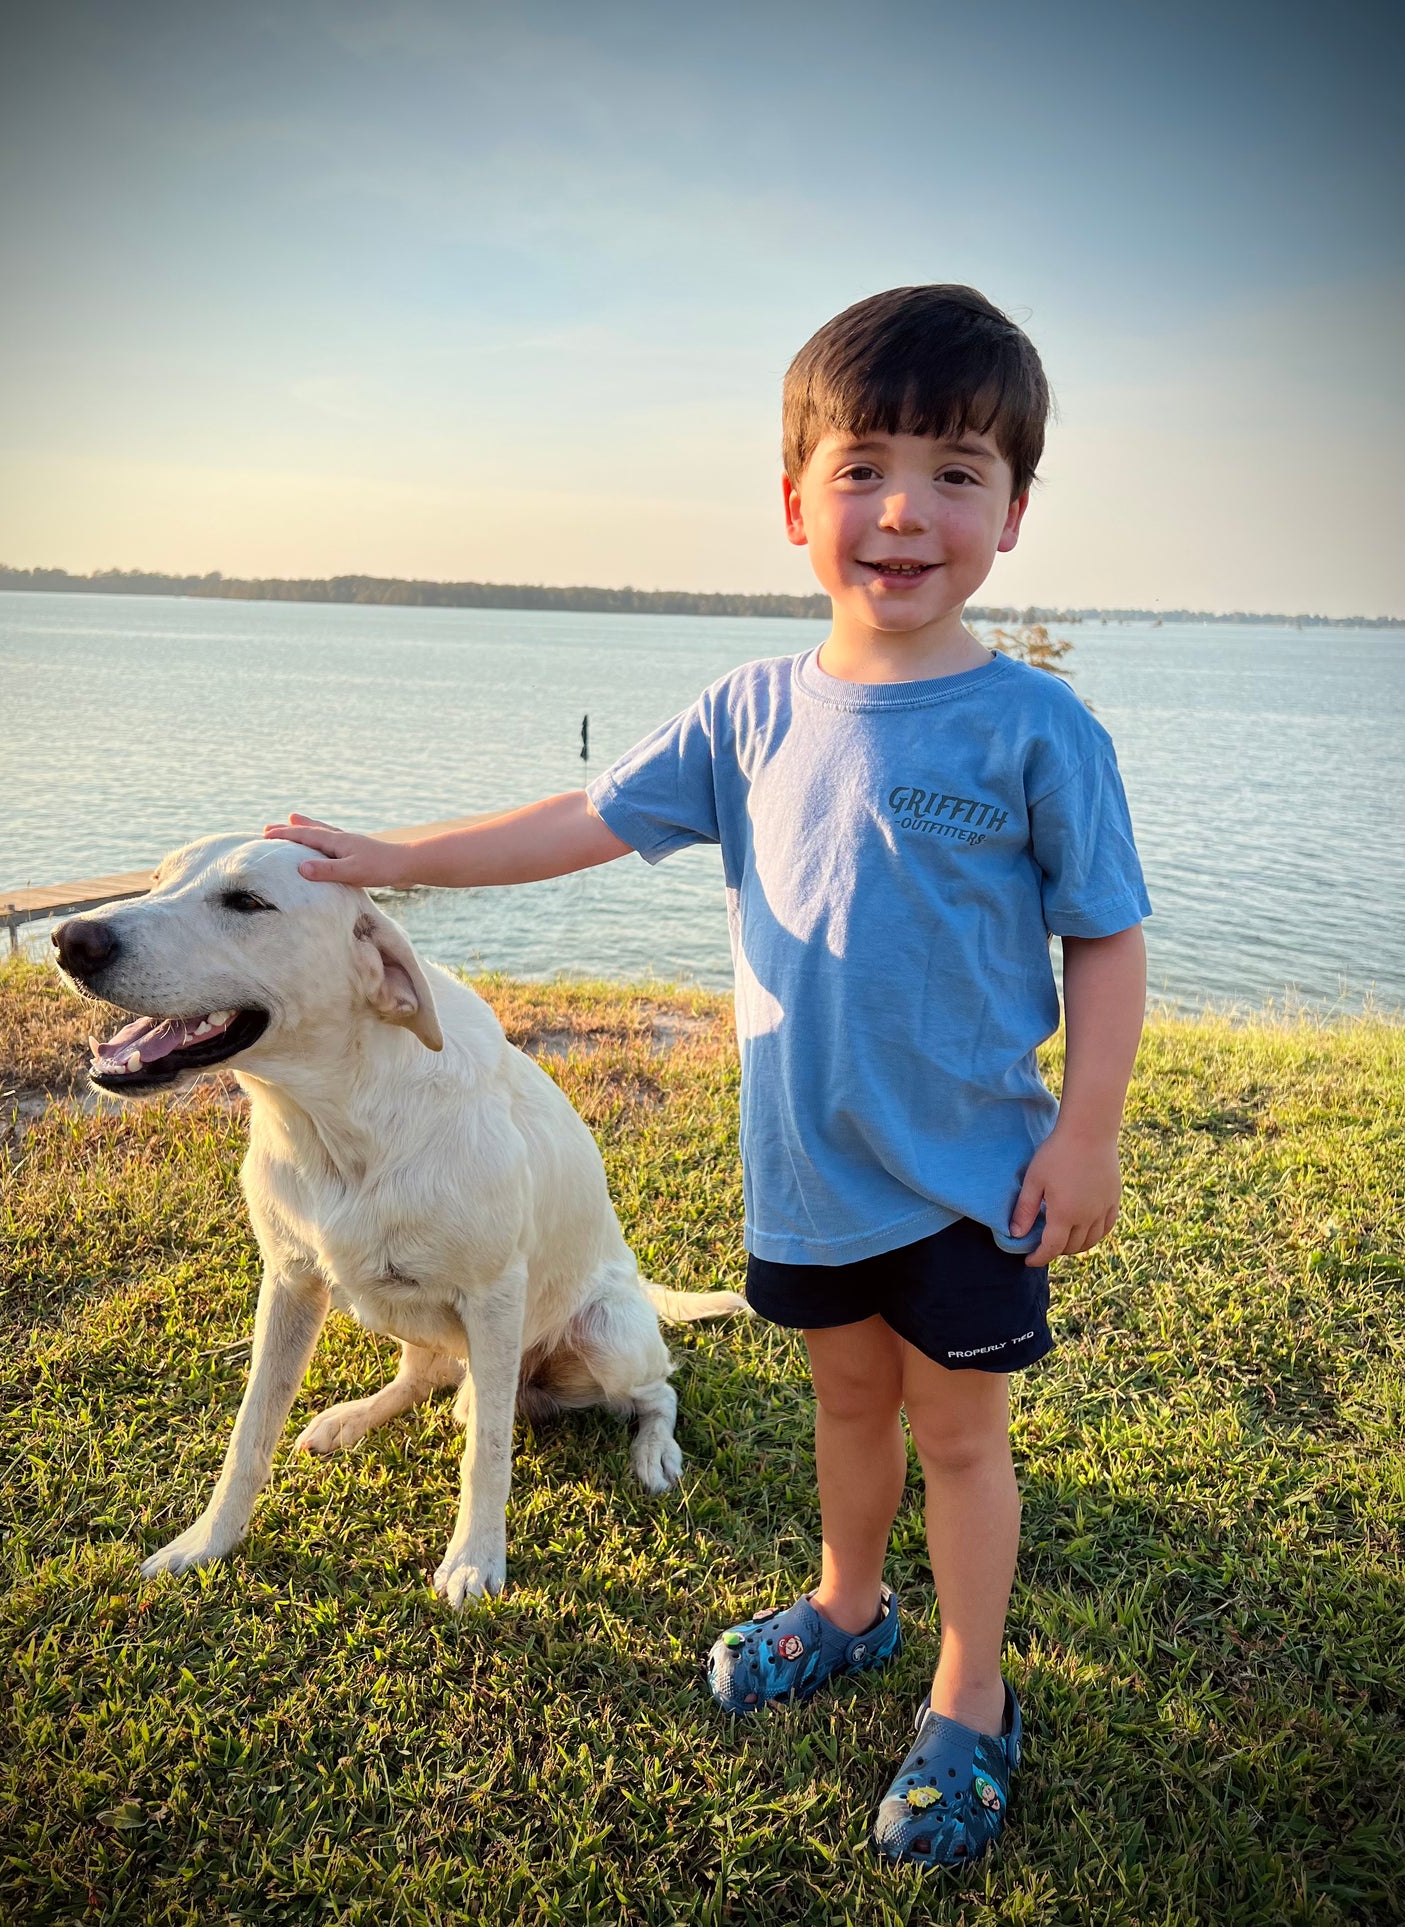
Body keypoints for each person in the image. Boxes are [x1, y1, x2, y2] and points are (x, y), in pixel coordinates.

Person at [264, 285, 1150, 1870]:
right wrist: (401, 855)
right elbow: (582, 819)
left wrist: (1084, 1137)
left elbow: (1104, 938)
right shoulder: (748, 714)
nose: (902, 509)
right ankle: (848, 1604)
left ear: (1012, 512)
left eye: (955, 470)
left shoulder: (1036, 728)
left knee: (958, 1433)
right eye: (863, 464)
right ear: (795, 499)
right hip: (806, 1174)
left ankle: (969, 1695)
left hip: (963, 1179)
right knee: (846, 1403)